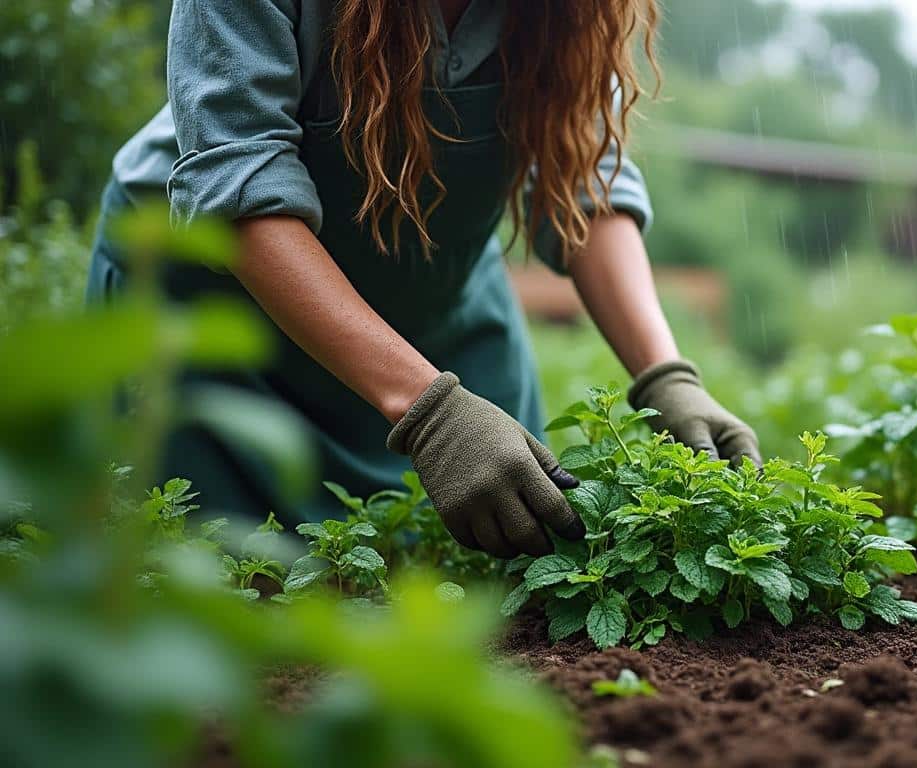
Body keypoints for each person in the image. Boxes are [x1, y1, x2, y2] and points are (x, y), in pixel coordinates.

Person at [87, 0, 760, 559]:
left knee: (505, 600)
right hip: (214, 333)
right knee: (226, 616)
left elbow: (582, 173)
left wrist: (666, 376)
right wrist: (431, 415)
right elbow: (240, 194)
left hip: (443, 326)